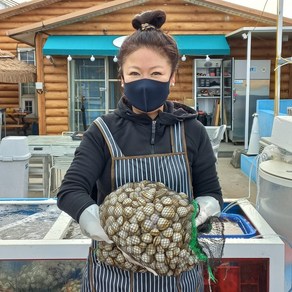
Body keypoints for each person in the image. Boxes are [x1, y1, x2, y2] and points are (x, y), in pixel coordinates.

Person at [57, 9, 223, 292]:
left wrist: (205, 209)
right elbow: (70, 191)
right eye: (134, 73)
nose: (145, 82)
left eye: (156, 73)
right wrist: (88, 215)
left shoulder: (191, 130)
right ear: (121, 78)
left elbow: (211, 191)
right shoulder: (102, 131)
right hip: (112, 278)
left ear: (171, 78)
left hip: (178, 278)